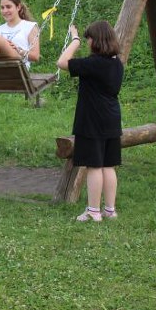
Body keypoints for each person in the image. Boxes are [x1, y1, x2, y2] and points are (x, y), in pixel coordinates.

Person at [56, 20, 124, 222]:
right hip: (112, 118)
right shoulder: (117, 64)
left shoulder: (93, 64)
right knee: (108, 165)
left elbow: (62, 62)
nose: (87, 43)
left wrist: (74, 40)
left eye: (89, 39)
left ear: (96, 41)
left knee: (94, 166)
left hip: (92, 120)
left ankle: (93, 211)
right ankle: (110, 210)